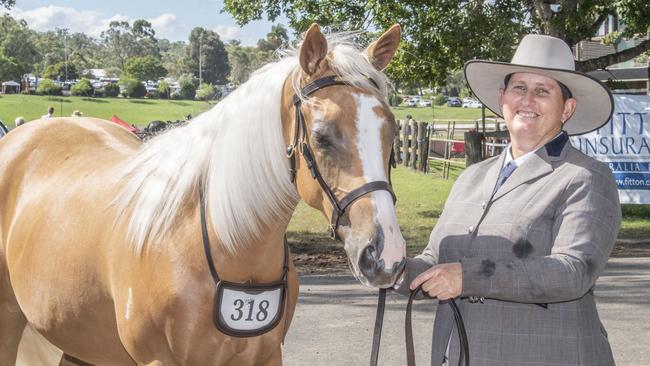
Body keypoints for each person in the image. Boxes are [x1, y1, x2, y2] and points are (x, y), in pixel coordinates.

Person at [394, 34, 620, 365]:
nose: (528, 99)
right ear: (502, 98)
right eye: (519, 88)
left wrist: (467, 277)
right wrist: (389, 268)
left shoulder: (585, 177)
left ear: (567, 108)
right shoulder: (472, 177)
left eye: (543, 91)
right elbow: (434, 260)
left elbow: (572, 272)